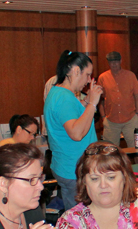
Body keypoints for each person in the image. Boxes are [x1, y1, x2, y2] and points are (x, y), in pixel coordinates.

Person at [44, 50, 104, 210]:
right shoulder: (64, 97)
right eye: (87, 74)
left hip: (68, 166)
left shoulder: (58, 93)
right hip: (73, 169)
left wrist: (85, 102)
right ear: (76, 70)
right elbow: (76, 133)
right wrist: (92, 104)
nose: (88, 80)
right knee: (81, 221)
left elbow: (72, 117)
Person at [98, 51, 138, 148]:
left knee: (137, 148)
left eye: (116, 61)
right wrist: (103, 117)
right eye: (111, 62)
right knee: (109, 151)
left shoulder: (130, 76)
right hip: (111, 121)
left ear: (121, 61)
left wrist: (137, 114)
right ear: (108, 63)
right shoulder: (102, 77)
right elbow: (100, 99)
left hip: (130, 119)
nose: (114, 64)